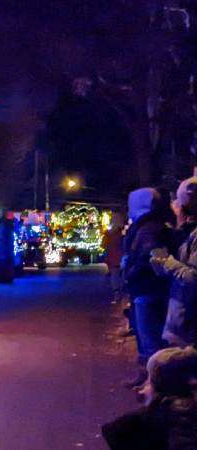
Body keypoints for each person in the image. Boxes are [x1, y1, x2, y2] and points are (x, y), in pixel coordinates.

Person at [102, 346, 197, 449]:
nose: (145, 385)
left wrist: (150, 404)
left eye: (149, 380)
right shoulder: (170, 408)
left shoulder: (178, 411)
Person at [124, 188, 173, 383]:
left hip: (147, 289)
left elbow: (150, 256)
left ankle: (155, 385)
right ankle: (147, 377)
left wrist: (132, 271)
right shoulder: (147, 225)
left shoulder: (149, 227)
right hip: (145, 288)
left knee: (149, 339)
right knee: (144, 336)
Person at [155, 177, 197, 348]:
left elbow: (194, 278)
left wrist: (167, 262)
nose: (176, 209)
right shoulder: (187, 232)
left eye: (180, 204)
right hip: (184, 322)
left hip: (190, 324)